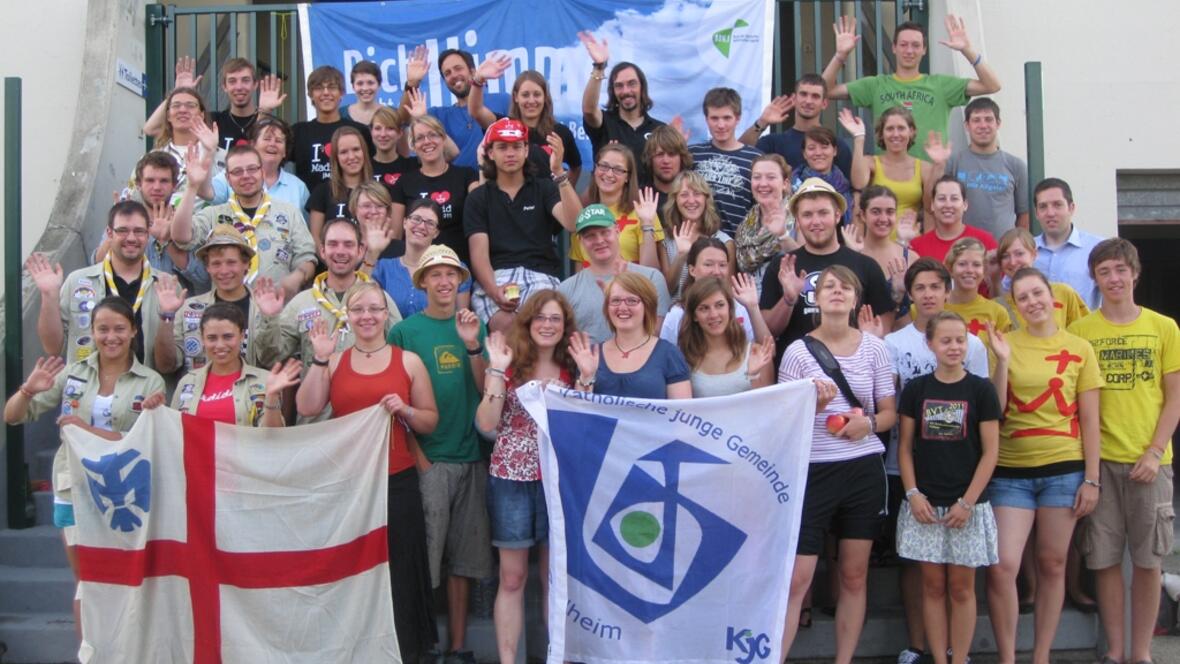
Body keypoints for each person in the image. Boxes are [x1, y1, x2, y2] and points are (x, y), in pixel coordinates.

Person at [297, 280, 441, 664]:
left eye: (375, 309)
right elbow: (308, 406)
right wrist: (320, 359)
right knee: (353, 570)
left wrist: (406, 411)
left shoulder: (407, 362)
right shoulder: (337, 360)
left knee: (400, 571)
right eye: (359, 309)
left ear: (385, 315)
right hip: (349, 486)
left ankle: (406, 650)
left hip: (397, 481)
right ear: (349, 315)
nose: (367, 317)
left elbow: (429, 421)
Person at [4, 297, 166, 630]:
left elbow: (145, 443)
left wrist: (87, 430)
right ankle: (89, 653)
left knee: (126, 578)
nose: (111, 337)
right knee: (87, 580)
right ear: (91, 331)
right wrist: (27, 391)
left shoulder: (150, 382)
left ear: (133, 331)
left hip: (124, 494)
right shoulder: (73, 374)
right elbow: (12, 417)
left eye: (120, 328)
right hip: (72, 486)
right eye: (102, 329)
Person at [777, 265, 897, 664]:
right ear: (817, 297)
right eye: (829, 286)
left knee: (854, 575)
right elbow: (784, 419)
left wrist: (869, 425)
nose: (837, 292)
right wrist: (816, 404)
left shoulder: (876, 348)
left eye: (845, 286)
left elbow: (889, 414)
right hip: (813, 470)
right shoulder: (796, 351)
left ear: (856, 298)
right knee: (797, 580)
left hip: (862, 470)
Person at [1068, 238, 1180, 664]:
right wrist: (1090, 472)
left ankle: (1142, 653)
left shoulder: (1163, 327)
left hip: (1150, 463)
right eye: (1104, 272)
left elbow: (1174, 397)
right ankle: (1115, 652)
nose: (1113, 279)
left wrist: (1154, 451)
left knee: (1149, 562)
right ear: (1095, 280)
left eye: (1119, 270)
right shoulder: (1081, 333)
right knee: (1104, 561)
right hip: (1098, 464)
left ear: (1134, 273)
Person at [985, 267, 1102, 664]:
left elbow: (1089, 419)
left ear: (1051, 297)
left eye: (1038, 294)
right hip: (1011, 470)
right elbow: (996, 410)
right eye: (1023, 298)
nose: (1032, 302)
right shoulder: (1003, 343)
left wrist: (1092, 479)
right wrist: (1001, 361)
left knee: (1052, 563)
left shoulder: (1079, 348)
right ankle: (1007, 657)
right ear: (1014, 306)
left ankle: (1041, 656)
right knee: (1003, 566)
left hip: (1064, 467)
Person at [386, 245, 493, 663]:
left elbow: (486, 389)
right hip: (427, 459)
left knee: (463, 561)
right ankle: (423, 643)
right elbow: (393, 403)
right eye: (436, 275)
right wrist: (418, 455)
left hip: (470, 456)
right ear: (424, 282)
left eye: (452, 274)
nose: (445, 281)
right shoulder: (405, 332)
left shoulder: (474, 326)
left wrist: (471, 346)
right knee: (425, 560)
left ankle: (458, 646)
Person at [884, 259, 991, 663]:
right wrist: (912, 492)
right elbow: (905, 443)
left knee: (962, 586)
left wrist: (968, 501)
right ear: (930, 345)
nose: (953, 347)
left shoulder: (979, 378)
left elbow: (990, 445)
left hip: (967, 496)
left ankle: (959, 657)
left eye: (959, 340)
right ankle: (930, 651)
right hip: (919, 491)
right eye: (944, 341)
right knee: (926, 580)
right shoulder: (911, 378)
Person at [474, 290, 578, 664]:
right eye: (540, 317)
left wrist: (589, 378)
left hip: (560, 481)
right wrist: (497, 372)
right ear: (528, 322)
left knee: (555, 580)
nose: (547, 325)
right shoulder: (510, 363)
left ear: (565, 327)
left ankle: (557, 657)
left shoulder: (575, 366)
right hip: (511, 479)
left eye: (555, 319)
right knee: (513, 578)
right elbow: (486, 425)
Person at [823, 15, 1001, 162]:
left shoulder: (941, 85)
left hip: (931, 177)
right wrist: (840, 55)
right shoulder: (875, 85)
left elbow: (992, 85)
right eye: (903, 45)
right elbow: (825, 91)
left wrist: (967, 50)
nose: (909, 50)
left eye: (916, 45)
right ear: (894, 48)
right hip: (889, 179)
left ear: (924, 49)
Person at [464, 118, 580, 332]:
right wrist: (494, 290)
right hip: (497, 276)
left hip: (541, 276)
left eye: (517, 146)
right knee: (504, 324)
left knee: (542, 324)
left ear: (526, 150)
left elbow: (574, 224)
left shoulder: (545, 188)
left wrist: (559, 173)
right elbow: (479, 255)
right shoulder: (478, 198)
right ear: (490, 153)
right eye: (502, 147)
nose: (510, 153)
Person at [255, 218, 401, 387]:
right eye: (333, 244)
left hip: (367, 408)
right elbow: (270, 358)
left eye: (348, 244)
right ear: (322, 251)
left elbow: (401, 352)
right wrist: (269, 318)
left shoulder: (380, 300)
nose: (340, 251)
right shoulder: (301, 303)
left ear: (361, 250)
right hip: (318, 411)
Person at [759, 178, 894, 360]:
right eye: (807, 215)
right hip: (798, 373)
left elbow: (884, 321)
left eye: (823, 213)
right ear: (797, 221)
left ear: (837, 216)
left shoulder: (865, 265)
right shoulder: (783, 265)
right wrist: (788, 299)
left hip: (853, 374)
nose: (816, 222)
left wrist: (869, 343)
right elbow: (768, 330)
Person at [29, 201, 166, 369]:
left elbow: (170, 365)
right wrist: (49, 296)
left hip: (145, 391)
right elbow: (53, 348)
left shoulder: (166, 285)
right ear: (109, 233)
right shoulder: (77, 281)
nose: (131, 238)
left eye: (139, 231)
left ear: (148, 234)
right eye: (122, 230)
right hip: (87, 390)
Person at [171, 144, 317, 300]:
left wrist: (297, 277)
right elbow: (181, 237)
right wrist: (192, 187)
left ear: (262, 172)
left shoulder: (289, 213)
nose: (246, 176)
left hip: (277, 311)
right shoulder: (214, 214)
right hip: (227, 315)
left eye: (252, 169)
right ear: (228, 178)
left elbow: (307, 258)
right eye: (237, 171)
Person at [153, 225, 283, 375]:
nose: (224, 271)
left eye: (231, 262)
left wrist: (270, 318)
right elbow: (166, 366)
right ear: (207, 267)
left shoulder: (266, 308)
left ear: (246, 264)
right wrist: (166, 316)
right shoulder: (188, 308)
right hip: (201, 395)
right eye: (216, 264)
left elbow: (272, 362)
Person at [567, 271, 692, 399]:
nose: (622, 307)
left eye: (632, 301)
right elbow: (581, 412)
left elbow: (682, 414)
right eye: (615, 300)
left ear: (647, 306)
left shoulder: (669, 354)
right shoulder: (591, 354)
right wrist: (586, 376)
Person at [171, 303, 299, 426]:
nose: (220, 345)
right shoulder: (187, 382)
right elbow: (174, 432)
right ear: (202, 339)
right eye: (212, 338)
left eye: (227, 337)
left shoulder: (265, 380)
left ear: (242, 336)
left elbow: (272, 438)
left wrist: (272, 396)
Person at [558, 204, 671, 345]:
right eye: (590, 236)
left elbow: (658, 334)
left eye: (605, 232)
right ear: (580, 241)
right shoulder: (565, 290)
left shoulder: (652, 278)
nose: (599, 241)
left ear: (617, 231)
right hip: (587, 366)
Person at [102, 152, 211, 295]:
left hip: (176, 309)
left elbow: (203, 279)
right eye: (150, 180)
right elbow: (96, 263)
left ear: (175, 186)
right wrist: (119, 230)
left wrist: (168, 241)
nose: (157, 187)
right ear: (138, 184)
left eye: (164, 181)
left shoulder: (188, 223)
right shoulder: (121, 219)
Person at [399, 46, 511, 169]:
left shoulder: (503, 100)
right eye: (447, 73)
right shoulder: (437, 115)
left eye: (458, 68)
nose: (454, 75)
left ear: (473, 71)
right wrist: (412, 83)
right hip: (458, 186)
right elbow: (402, 121)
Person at [578, 32, 668, 181]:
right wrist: (599, 67)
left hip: (647, 204)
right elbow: (588, 110)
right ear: (613, 91)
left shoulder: (660, 130)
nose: (626, 91)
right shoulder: (605, 122)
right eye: (619, 86)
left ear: (642, 87)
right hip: (608, 203)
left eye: (632, 84)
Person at [840, 107, 949, 230]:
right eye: (890, 129)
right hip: (876, 242)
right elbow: (858, 183)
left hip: (911, 242)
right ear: (881, 133)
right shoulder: (870, 162)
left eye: (901, 128)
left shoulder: (924, 167)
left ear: (911, 131)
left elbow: (931, 206)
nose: (895, 134)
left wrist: (939, 165)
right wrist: (859, 137)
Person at [469, 67, 582, 183]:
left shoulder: (560, 132)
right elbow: (476, 111)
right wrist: (478, 80)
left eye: (537, 94)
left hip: (549, 200)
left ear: (545, 97)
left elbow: (576, 167)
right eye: (525, 95)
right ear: (515, 97)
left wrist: (565, 193)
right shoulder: (504, 126)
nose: (531, 101)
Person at [144, 57, 285, 151]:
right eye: (232, 81)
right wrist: (178, 92)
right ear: (224, 86)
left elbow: (260, 150)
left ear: (255, 85)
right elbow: (151, 129)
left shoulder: (269, 123)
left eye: (245, 80)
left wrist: (264, 111)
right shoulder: (211, 121)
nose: (239, 87)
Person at [364, 196, 473, 317]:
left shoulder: (454, 268)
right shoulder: (384, 267)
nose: (421, 226)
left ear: (436, 233)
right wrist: (371, 253)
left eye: (430, 223)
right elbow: (358, 297)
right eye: (416, 219)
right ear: (404, 222)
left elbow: (460, 318)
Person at [391, 115, 479, 263]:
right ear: (413, 146)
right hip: (417, 268)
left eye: (433, 135)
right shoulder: (404, 183)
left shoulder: (466, 176)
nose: (427, 141)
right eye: (419, 138)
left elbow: (480, 216)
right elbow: (396, 236)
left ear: (443, 139)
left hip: (458, 266)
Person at [569, 145, 664, 271]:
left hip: (632, 288)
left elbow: (651, 273)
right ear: (595, 169)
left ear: (628, 177)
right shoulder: (585, 216)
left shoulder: (643, 212)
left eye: (618, 170)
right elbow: (579, 276)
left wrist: (647, 223)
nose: (609, 174)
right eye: (603, 166)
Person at [677, 277, 776, 397]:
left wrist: (753, 375)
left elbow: (769, 406)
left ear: (730, 308)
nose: (713, 315)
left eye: (719, 305)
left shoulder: (755, 353)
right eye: (704, 308)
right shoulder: (683, 358)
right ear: (694, 316)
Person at [740, 73, 853, 178]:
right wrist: (762, 122)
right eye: (803, 94)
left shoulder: (835, 145)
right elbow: (739, 154)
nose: (808, 101)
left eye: (815, 96)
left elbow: (852, 189)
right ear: (794, 99)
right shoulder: (774, 142)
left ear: (824, 103)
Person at [660, 238, 768, 347]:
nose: (716, 272)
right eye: (708, 264)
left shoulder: (740, 308)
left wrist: (753, 308)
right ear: (692, 270)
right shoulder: (677, 314)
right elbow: (666, 358)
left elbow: (766, 350)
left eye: (722, 265)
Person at [946, 97, 1030, 238]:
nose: (983, 125)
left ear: (998, 124)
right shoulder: (954, 163)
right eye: (976, 120)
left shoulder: (1016, 166)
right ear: (967, 125)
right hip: (963, 251)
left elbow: (1025, 214)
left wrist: (1014, 246)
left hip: (1001, 252)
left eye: (988, 119)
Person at [688, 87, 763, 236]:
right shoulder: (692, 154)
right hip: (699, 244)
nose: (721, 125)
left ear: (738, 118)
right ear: (706, 119)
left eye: (727, 118)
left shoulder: (756, 159)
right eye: (714, 118)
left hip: (739, 245)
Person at [844, 186, 919, 324]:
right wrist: (852, 257)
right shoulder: (850, 255)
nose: (883, 218)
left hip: (900, 337)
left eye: (890, 212)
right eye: (876, 212)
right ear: (862, 215)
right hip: (862, 340)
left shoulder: (911, 258)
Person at [291, 65, 372, 192]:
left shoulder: (359, 131)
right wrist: (265, 110)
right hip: (307, 207)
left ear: (342, 93)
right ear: (310, 94)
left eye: (332, 87)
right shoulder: (298, 132)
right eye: (318, 88)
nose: (326, 93)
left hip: (351, 205)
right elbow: (266, 157)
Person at [133, 86, 219, 201]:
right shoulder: (149, 158)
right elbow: (133, 196)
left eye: (190, 106)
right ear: (168, 115)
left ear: (201, 115)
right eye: (176, 105)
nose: (182, 110)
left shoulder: (221, 156)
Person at [994, 228, 1089, 330]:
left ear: (1034, 254)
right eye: (1005, 256)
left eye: (1019, 253)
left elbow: (1084, 331)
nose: (1012, 262)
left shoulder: (1064, 293)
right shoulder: (998, 305)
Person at [211, 114, 310, 210]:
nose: (272, 144)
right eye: (267, 139)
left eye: (279, 141)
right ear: (253, 145)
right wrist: (207, 152)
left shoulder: (298, 187)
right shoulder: (235, 175)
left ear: (285, 151)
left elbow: (303, 225)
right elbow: (207, 193)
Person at [1032, 178, 1104, 310]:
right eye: (1043, 206)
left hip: (1082, 330)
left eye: (1057, 205)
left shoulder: (1098, 248)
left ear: (1071, 208)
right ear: (1036, 213)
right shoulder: (1025, 251)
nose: (1050, 213)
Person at [660, 172, 734, 297]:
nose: (691, 200)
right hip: (674, 313)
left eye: (697, 194)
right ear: (675, 200)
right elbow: (665, 291)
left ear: (706, 199)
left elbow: (726, 291)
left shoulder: (724, 241)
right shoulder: (665, 239)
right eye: (684, 195)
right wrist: (681, 256)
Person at [943, 237, 1011, 364]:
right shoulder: (935, 309)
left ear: (984, 271)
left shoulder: (997, 312)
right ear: (950, 269)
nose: (969, 270)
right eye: (962, 264)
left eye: (976, 265)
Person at [734, 154, 795, 289]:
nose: (763, 184)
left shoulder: (799, 215)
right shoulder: (746, 223)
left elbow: (807, 261)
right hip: (751, 302)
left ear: (785, 184)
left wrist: (783, 236)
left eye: (771, 177)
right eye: (757, 177)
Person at [306, 126, 374, 243]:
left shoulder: (379, 191)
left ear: (364, 152)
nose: (351, 157)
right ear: (335, 157)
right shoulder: (322, 192)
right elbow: (315, 239)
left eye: (356, 149)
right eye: (343, 152)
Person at [910, 176, 997, 262]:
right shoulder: (917, 246)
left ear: (965, 205)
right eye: (942, 198)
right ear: (932, 205)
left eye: (954, 199)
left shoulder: (985, 241)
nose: (948, 205)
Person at [791, 127, 854, 227]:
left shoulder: (845, 187)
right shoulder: (792, 186)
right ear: (804, 154)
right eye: (812, 148)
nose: (818, 153)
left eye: (824, 147)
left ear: (834, 151)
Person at [641, 124, 693, 212]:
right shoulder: (638, 198)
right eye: (659, 154)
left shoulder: (694, 199)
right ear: (650, 158)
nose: (666, 161)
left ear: (682, 158)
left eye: (672, 154)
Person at [370, 105, 420, 188]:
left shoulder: (413, 166)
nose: (383, 134)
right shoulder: (364, 168)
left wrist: (421, 118)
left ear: (400, 133)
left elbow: (446, 155)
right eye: (378, 128)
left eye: (390, 128)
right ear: (371, 131)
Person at [340, 60, 382, 125]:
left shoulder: (391, 114)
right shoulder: (340, 115)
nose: (365, 88)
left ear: (379, 85)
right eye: (360, 83)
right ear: (353, 86)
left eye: (370, 83)